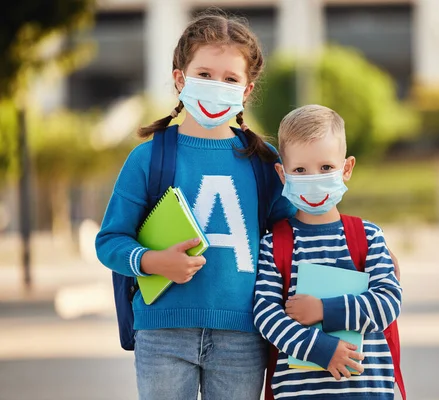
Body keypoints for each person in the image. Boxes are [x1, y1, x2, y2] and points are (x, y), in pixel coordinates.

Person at [95, 11, 295, 400]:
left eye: (230, 79)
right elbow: (110, 240)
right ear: (179, 79)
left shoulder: (264, 162)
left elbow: (294, 235)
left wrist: (363, 251)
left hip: (244, 335)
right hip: (162, 334)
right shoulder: (147, 158)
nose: (216, 85)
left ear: (247, 90)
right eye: (204, 74)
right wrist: (152, 262)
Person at [254, 104, 402, 400]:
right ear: (283, 175)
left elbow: (388, 302)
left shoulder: (368, 236)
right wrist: (321, 350)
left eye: (325, 168)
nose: (314, 178)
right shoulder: (275, 244)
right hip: (299, 393)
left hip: (366, 392)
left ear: (346, 168)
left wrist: (324, 311)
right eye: (300, 170)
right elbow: (265, 314)